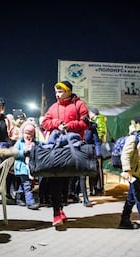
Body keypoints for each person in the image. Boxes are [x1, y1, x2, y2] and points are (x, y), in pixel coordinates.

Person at [41, 80, 89, 226]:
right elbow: (45, 123)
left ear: (68, 91)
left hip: (72, 147)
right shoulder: (53, 107)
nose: (57, 94)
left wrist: (69, 125)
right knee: (56, 178)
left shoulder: (79, 105)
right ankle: (56, 212)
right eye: (56, 91)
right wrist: (56, 123)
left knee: (66, 180)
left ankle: (61, 208)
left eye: (60, 91)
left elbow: (85, 123)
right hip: (56, 148)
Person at [119, 115, 140, 232]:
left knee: (132, 198)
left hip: (139, 174)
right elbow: (125, 154)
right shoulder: (134, 137)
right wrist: (127, 170)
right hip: (134, 174)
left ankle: (124, 220)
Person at [13, 121, 40, 210]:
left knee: (24, 184)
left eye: (30, 134)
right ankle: (30, 202)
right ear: (22, 133)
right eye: (26, 133)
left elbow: (40, 150)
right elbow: (14, 153)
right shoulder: (20, 143)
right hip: (22, 166)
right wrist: (23, 153)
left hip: (30, 167)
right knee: (27, 184)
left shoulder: (35, 143)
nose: (28, 136)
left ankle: (19, 196)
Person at [88, 108, 106, 196]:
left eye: (90, 113)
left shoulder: (99, 120)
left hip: (97, 147)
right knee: (95, 169)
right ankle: (95, 188)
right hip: (95, 147)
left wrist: (96, 138)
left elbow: (102, 131)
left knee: (98, 169)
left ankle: (99, 188)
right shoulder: (93, 121)